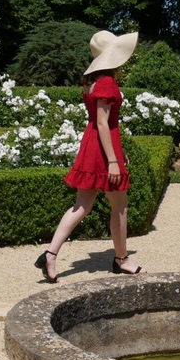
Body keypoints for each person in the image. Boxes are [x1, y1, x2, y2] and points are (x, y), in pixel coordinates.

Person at [34, 30, 146, 283]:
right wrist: (114, 160)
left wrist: (119, 151)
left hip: (93, 144)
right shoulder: (107, 82)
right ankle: (121, 260)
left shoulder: (91, 81)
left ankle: (50, 254)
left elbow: (101, 124)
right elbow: (104, 123)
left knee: (81, 206)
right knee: (119, 206)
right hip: (102, 148)